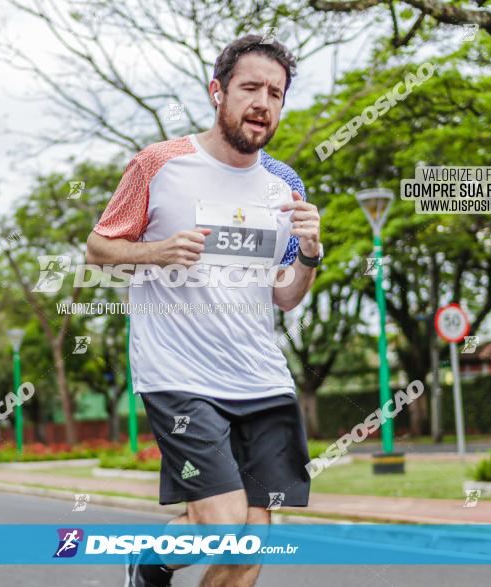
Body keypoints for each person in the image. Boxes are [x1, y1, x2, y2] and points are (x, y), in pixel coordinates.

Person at [86, 35, 320, 587]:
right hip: (181, 376)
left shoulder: (284, 184)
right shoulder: (158, 165)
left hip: (261, 378)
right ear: (218, 92)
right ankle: (148, 561)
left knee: (251, 546)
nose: (263, 102)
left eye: (276, 93)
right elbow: (97, 252)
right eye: (250, 88)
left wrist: (310, 254)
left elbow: (285, 296)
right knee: (221, 524)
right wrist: (157, 252)